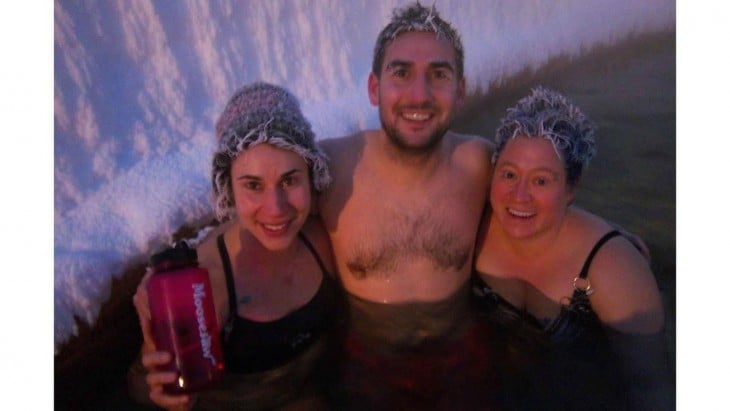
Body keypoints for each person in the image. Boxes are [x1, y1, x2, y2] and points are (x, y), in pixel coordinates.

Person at [317, 3, 502, 408]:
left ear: (461, 89)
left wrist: (610, 239)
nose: (419, 95)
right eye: (401, 73)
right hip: (367, 367)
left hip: (462, 363)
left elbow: (544, 199)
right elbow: (258, 211)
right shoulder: (330, 170)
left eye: (438, 75)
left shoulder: (480, 164)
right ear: (373, 87)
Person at [128, 82, 342, 410]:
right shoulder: (202, 286)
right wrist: (164, 391)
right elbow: (144, 386)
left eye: (290, 180)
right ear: (228, 189)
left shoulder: (323, 237)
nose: (276, 207)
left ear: (311, 176)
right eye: (253, 185)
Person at [472, 86, 671, 409]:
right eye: (509, 174)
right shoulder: (473, 224)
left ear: (571, 189)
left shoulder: (613, 269)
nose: (518, 195)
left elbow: (650, 388)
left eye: (541, 181)